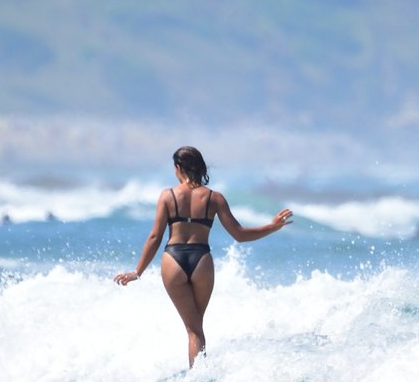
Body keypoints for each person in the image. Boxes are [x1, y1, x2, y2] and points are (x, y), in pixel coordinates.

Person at [114, 146, 293, 367]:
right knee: (197, 328)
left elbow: (154, 237)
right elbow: (240, 234)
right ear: (199, 167)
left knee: (193, 329)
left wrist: (137, 272)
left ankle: (196, 381)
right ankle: (200, 379)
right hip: (201, 260)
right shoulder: (214, 198)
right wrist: (272, 227)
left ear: (178, 168)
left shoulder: (167, 196)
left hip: (173, 259)